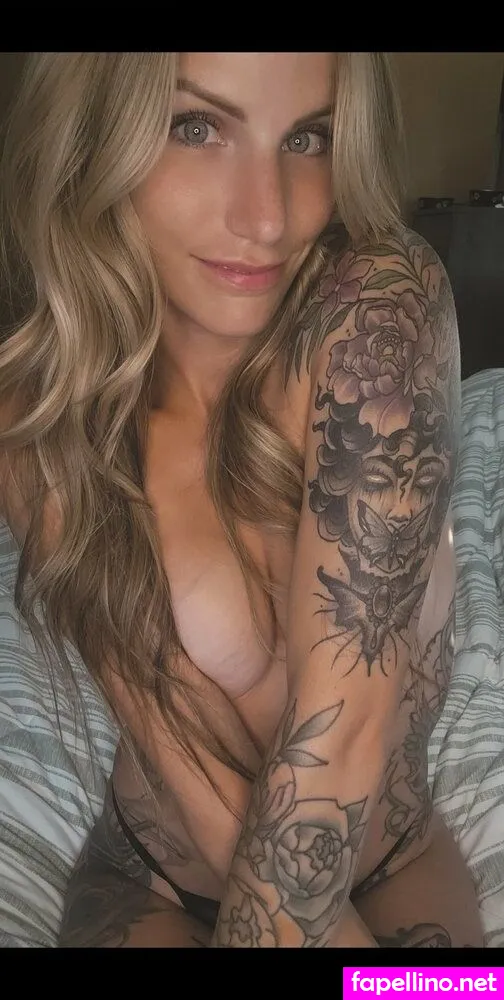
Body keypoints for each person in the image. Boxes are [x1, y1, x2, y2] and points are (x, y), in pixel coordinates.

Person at [0, 51, 482, 948]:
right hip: (155, 877)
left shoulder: (378, 315)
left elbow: (341, 740)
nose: (268, 217)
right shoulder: (39, 420)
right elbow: (176, 748)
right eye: (196, 127)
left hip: (390, 865)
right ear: (95, 139)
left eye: (308, 138)